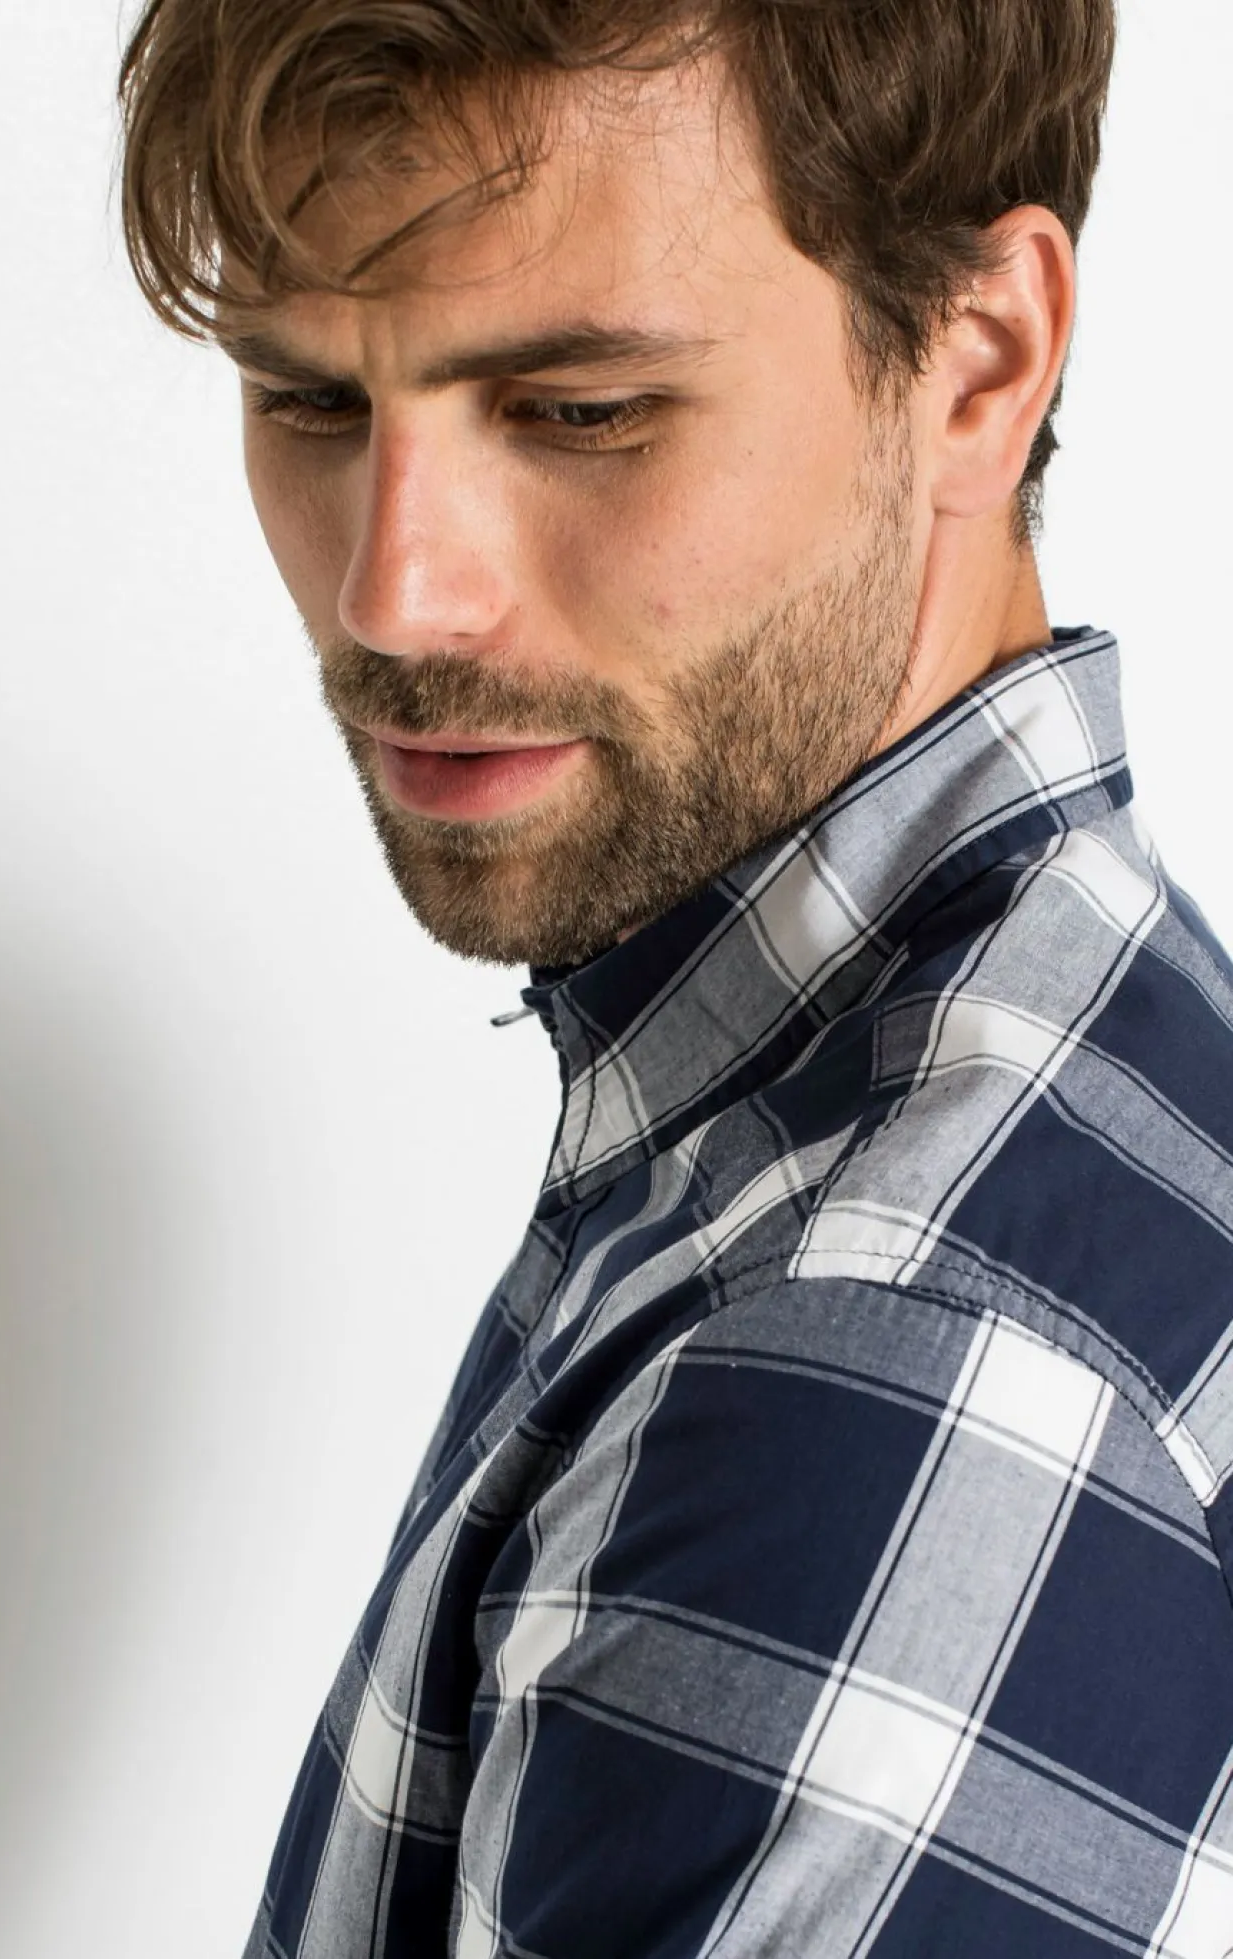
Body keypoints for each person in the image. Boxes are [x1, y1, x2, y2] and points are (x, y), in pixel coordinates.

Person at [117, 2, 1233, 1952]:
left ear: (978, 362)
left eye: (579, 412)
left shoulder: (878, 1361)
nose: (395, 591)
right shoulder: (1052, 1050)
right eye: (308, 401)